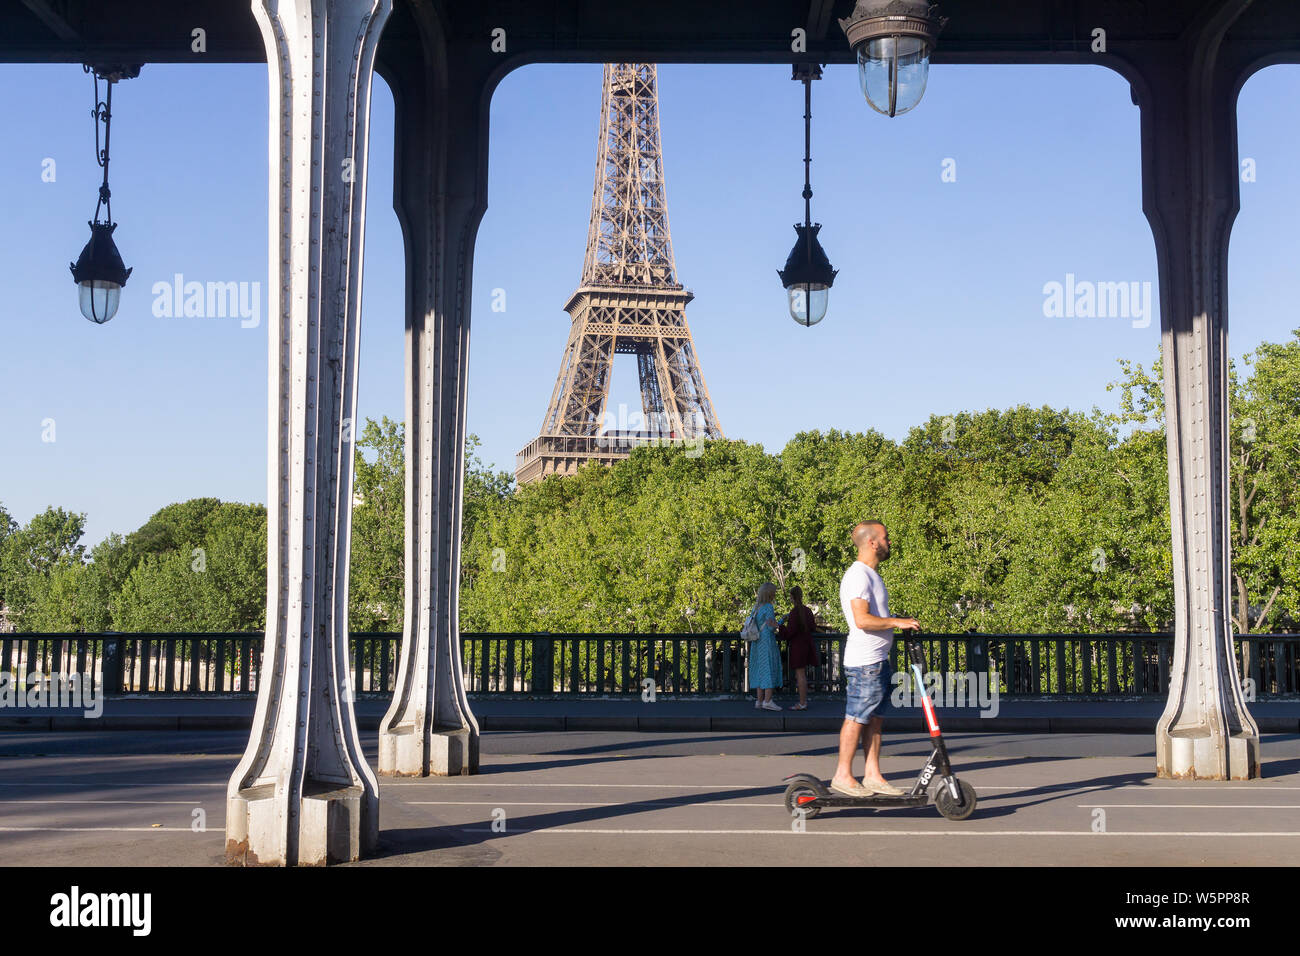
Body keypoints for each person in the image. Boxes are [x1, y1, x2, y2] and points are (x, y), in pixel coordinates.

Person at [830, 521, 919, 797]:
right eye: (886, 537)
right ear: (872, 542)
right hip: (864, 663)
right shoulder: (858, 575)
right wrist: (898, 622)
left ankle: (873, 775)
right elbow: (861, 619)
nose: (889, 542)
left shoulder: (871, 575)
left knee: (875, 719)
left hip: (877, 661)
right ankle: (843, 775)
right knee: (856, 717)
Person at [780, 586, 819, 710]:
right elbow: (813, 627)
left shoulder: (794, 612)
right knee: (803, 675)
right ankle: (803, 702)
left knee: (800, 675)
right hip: (807, 645)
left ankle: (802, 703)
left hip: (797, 647)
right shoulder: (807, 611)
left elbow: (789, 633)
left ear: (792, 597)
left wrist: (779, 625)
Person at [747, 582, 784, 711]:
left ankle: (759, 700)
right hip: (766, 641)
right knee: (768, 668)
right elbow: (770, 627)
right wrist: (780, 622)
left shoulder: (756, 607)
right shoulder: (768, 607)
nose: (775, 594)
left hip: (756, 642)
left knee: (760, 669)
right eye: (774, 592)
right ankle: (768, 701)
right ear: (769, 594)